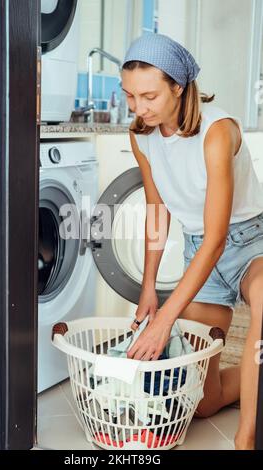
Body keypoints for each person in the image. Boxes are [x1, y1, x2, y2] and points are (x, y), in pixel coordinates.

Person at [121, 33, 263, 450]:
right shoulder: (141, 136)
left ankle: (247, 439)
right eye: (129, 95)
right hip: (198, 250)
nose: (138, 108)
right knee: (204, 403)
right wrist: (149, 289)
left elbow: (218, 240)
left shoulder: (217, 131)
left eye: (148, 96)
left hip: (250, 244)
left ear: (177, 87)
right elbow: (156, 211)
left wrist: (165, 320)